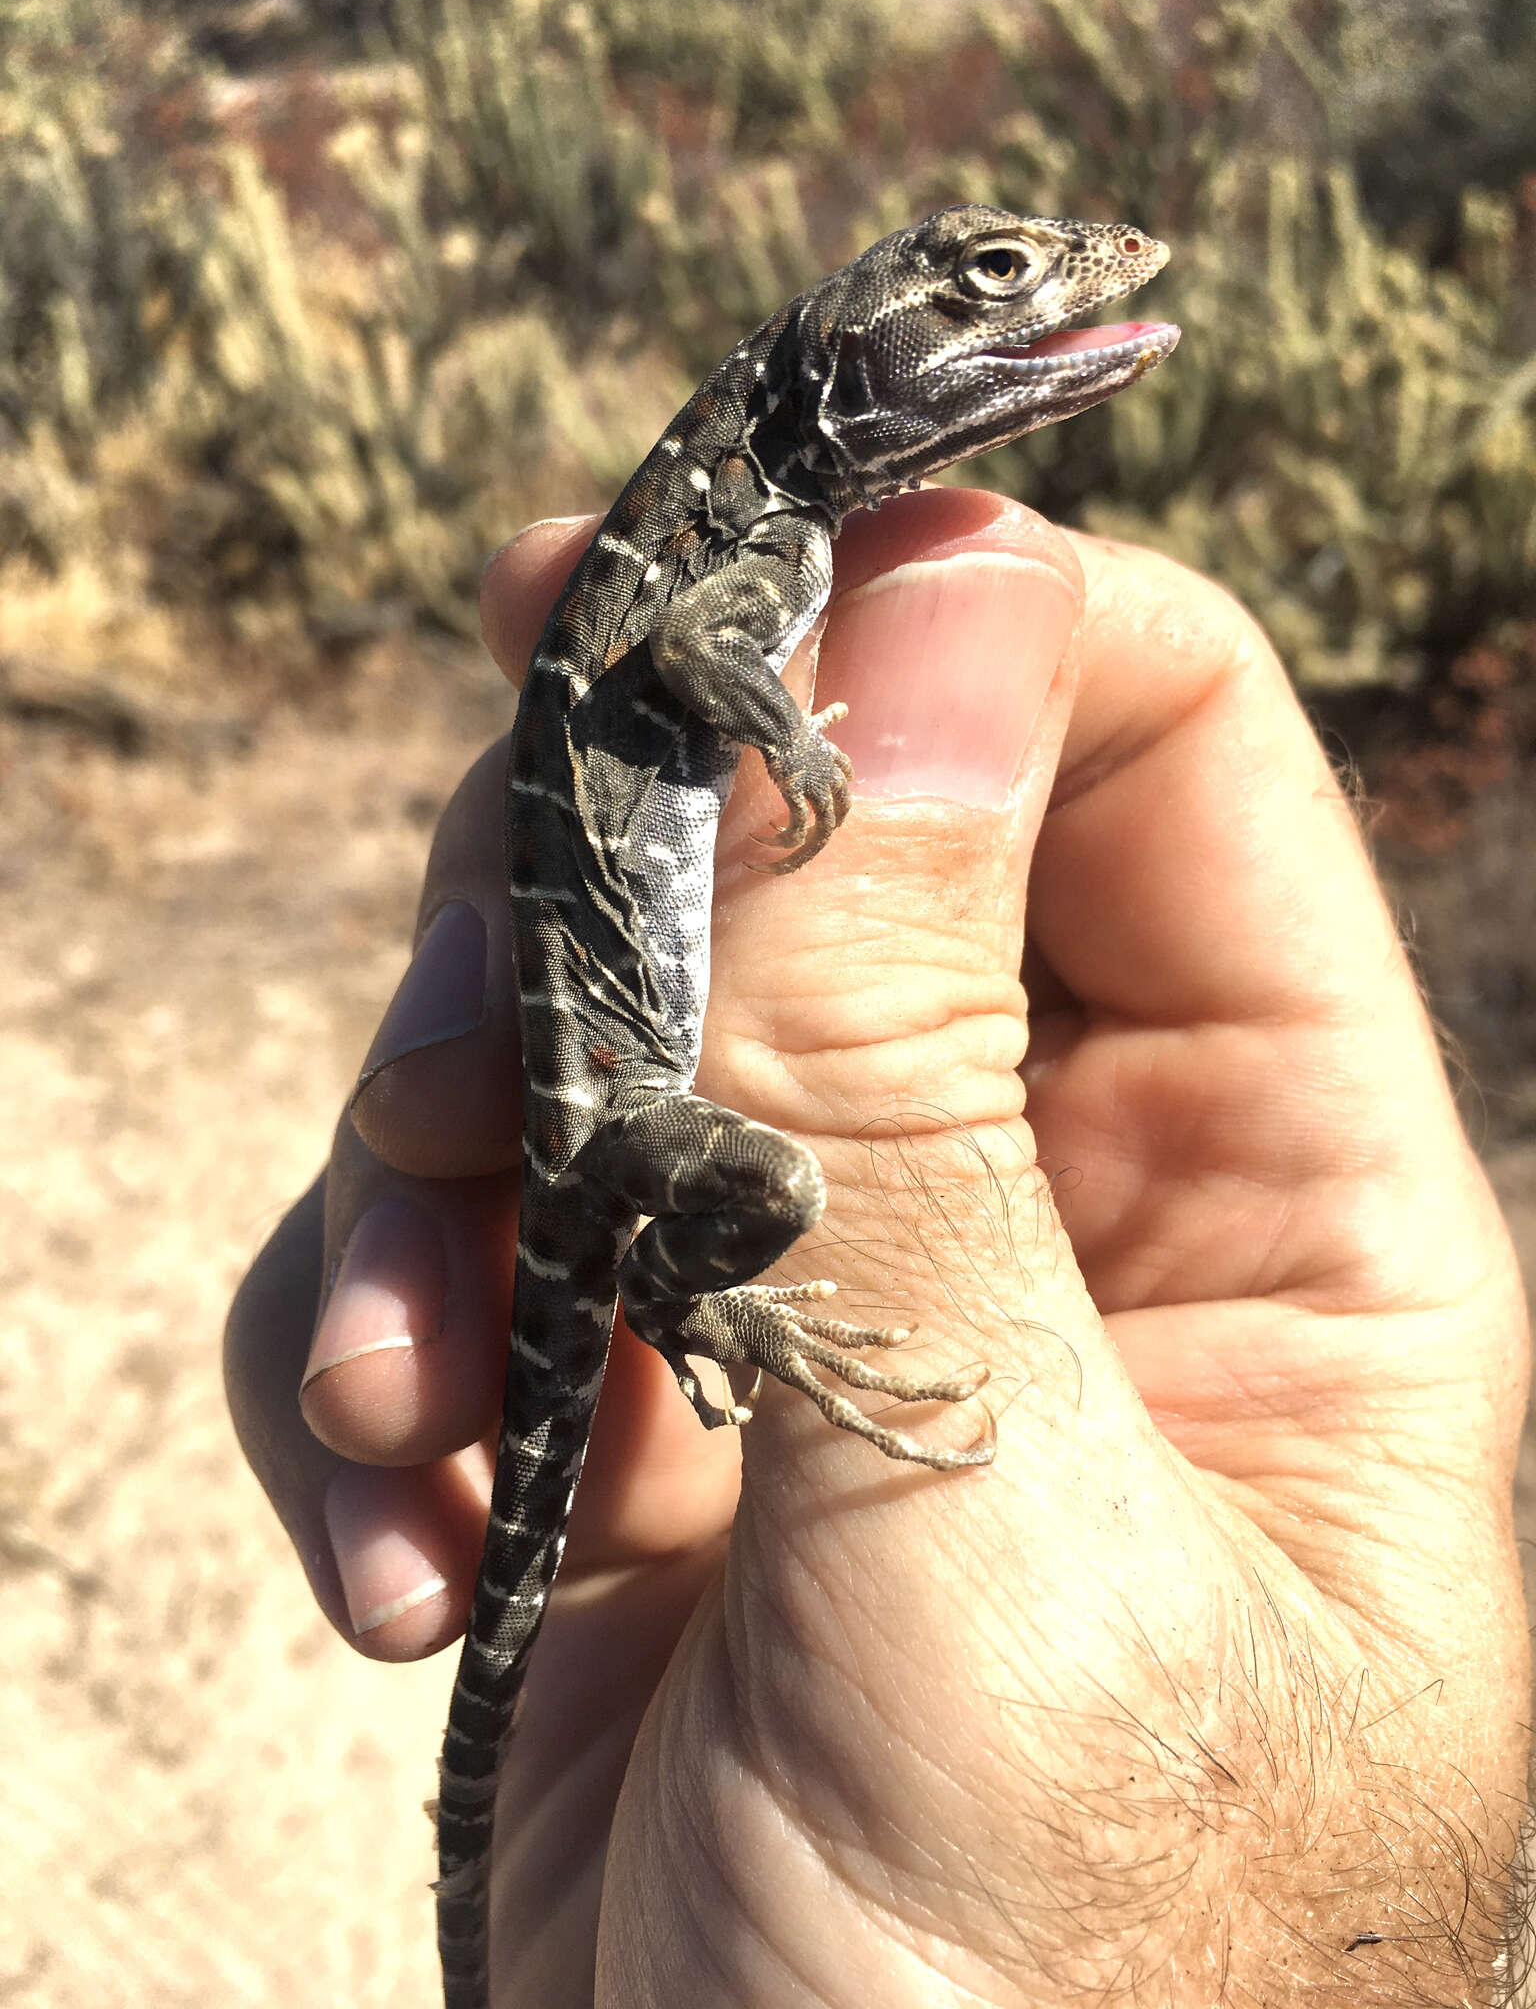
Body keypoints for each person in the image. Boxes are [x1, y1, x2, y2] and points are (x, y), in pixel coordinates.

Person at [226, 489, 1530, 2003]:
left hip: (612, 1087)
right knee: (773, 1191)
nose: (1060, 286)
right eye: (982, 282)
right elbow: (714, 653)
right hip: (619, 1106)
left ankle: (665, 1318)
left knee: (560, 1289)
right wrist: (796, 739)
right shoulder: (764, 539)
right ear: (852, 367)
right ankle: (694, 1303)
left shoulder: (766, 539)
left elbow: (705, 653)